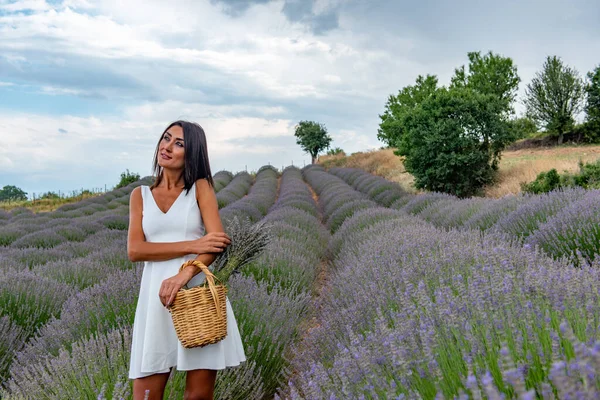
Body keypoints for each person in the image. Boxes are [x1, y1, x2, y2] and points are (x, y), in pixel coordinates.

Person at [127, 120, 247, 400]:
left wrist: (183, 275)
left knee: (198, 396)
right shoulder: (140, 195)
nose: (167, 146)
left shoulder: (201, 188)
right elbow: (135, 250)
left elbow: (216, 243)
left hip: (194, 299)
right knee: (145, 395)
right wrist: (193, 244)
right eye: (166, 139)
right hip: (155, 300)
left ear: (191, 153)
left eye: (178, 143)